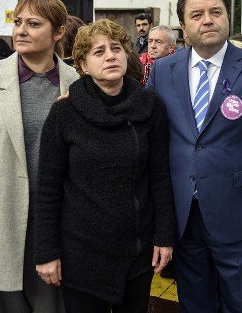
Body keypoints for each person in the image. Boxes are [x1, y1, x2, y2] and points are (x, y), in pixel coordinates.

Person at [147, 0, 242, 312]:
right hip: (183, 214)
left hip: (240, 214)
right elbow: (145, 126)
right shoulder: (163, 70)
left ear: (228, 17)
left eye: (216, 12)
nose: (207, 20)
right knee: (195, 301)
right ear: (184, 27)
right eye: (197, 15)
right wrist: (85, 92)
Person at [33, 19, 175, 313]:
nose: (110, 56)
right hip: (81, 255)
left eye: (116, 48)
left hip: (137, 254)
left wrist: (164, 236)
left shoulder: (150, 107)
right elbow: (48, 188)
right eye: (98, 52)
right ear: (82, 65)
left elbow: (160, 178)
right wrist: (46, 251)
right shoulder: (64, 113)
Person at [0, 0, 78, 312]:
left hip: (56, 229)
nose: (21, 30)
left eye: (33, 23)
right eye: (18, 22)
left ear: (58, 33)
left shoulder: (78, 85)